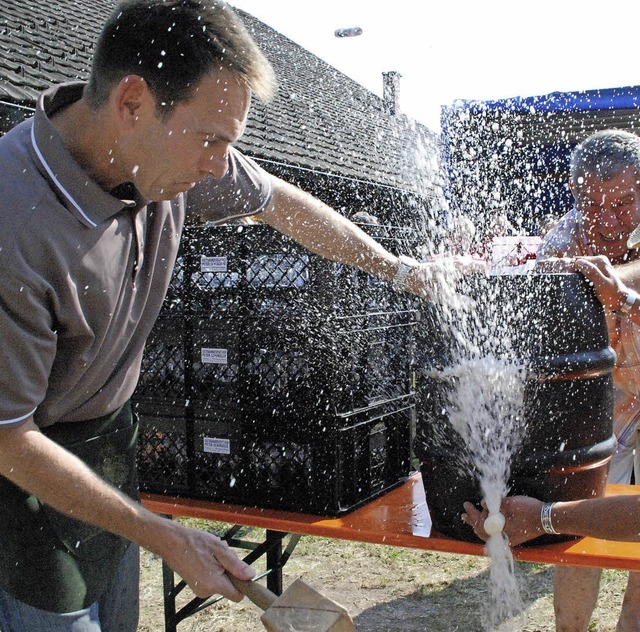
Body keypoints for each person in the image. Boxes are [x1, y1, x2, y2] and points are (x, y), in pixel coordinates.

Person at [0, 1, 472, 630]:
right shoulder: (16, 221)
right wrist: (168, 537)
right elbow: (9, 438)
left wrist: (398, 269)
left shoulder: (163, 156)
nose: (222, 166)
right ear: (132, 102)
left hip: (108, 436)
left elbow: (279, 201)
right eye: (213, 140)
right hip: (24, 470)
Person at [526, 129, 640, 632]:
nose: (609, 222)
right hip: (604, 402)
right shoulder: (564, 241)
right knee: (579, 519)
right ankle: (571, 627)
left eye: (623, 204)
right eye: (594, 204)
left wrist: (620, 284)